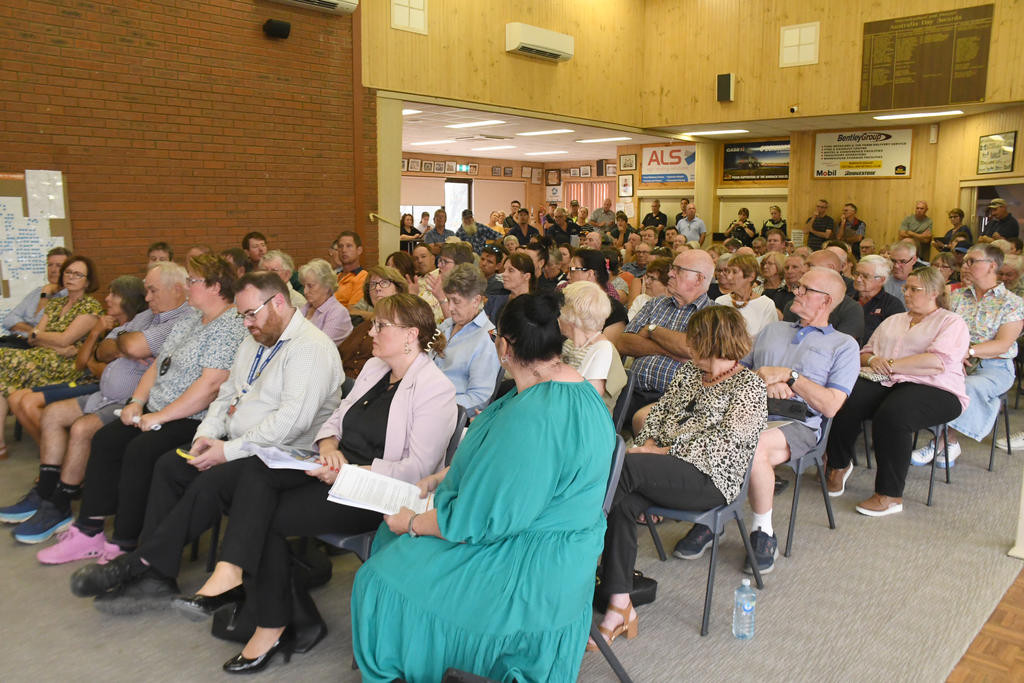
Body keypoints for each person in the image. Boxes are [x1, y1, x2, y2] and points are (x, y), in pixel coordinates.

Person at [146, 294, 454, 674]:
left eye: (380, 326)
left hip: (376, 491)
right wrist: (328, 448)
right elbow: (334, 422)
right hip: (333, 468)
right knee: (254, 473)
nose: (370, 332)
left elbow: (416, 471)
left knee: (264, 516)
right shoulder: (375, 368)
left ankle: (269, 618)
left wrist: (346, 472)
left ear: (410, 335)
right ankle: (236, 577)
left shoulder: (434, 388)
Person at [347, 291, 611, 682]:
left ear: (504, 345)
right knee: (396, 544)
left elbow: (481, 521)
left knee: (377, 576)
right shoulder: (581, 393)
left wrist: (413, 524)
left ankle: (407, 662)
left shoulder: (534, 414)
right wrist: (450, 472)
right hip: (563, 546)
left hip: (528, 561)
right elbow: (516, 472)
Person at [66, 270, 344, 615]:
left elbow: (291, 423)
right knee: (172, 464)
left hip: (285, 457)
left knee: (212, 477)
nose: (245, 324)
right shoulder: (257, 337)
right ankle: (157, 575)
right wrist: (206, 436)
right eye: (241, 315)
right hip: (240, 444)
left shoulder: (311, 348)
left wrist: (225, 451)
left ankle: (142, 565)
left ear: (279, 302)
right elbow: (226, 393)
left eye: (250, 314)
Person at [36, 254, 246, 565]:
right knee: (107, 439)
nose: (188, 287)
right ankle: (89, 531)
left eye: (193, 281)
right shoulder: (190, 316)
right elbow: (158, 365)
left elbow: (210, 386)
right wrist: (136, 402)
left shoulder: (230, 325)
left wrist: (159, 416)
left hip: (191, 418)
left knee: (140, 451)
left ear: (215, 287)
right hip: (157, 409)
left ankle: (125, 541)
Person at [594, 306, 766, 647]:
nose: (687, 343)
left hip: (710, 479)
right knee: (623, 500)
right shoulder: (688, 373)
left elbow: (724, 444)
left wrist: (658, 454)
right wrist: (647, 445)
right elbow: (659, 415)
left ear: (713, 342)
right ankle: (619, 606)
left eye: (694, 337)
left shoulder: (749, 386)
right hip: (659, 468)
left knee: (620, 469)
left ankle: (575, 561)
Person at [679, 267, 858, 574]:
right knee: (707, 432)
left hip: (799, 424)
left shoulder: (844, 345)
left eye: (804, 289)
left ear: (825, 301)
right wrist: (763, 380)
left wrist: (790, 377)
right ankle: (716, 516)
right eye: (797, 287)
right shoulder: (773, 330)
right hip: (749, 410)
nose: (795, 293)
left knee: (753, 446)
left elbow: (830, 406)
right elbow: (732, 371)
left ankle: (762, 531)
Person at [1, 267, 189, 542]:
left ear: (177, 290)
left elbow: (131, 347)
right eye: (146, 290)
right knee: (52, 414)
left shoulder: (179, 321)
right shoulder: (149, 315)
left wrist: (124, 345)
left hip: (132, 401)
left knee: (81, 429)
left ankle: (60, 503)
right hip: (103, 394)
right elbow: (104, 348)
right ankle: (44, 493)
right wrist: (124, 345)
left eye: (152, 290)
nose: (146, 298)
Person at [825, 267, 969, 516]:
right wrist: (873, 361)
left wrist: (891, 364)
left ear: (934, 292)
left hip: (935, 385)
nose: (908, 293)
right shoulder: (894, 320)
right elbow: (866, 352)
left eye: (915, 289)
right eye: (906, 288)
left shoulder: (951, 322)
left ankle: (890, 495)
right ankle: (838, 465)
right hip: (887, 380)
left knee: (893, 416)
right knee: (844, 399)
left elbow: (936, 362)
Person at [911, 245, 1024, 467]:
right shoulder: (956, 296)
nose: (965, 265)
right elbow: (940, 327)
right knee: (918, 382)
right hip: (953, 361)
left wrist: (968, 351)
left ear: (992, 265)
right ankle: (940, 442)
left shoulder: (1012, 302)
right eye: (965, 262)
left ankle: (944, 441)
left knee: (965, 387)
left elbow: (1003, 344)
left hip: (994, 368)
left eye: (972, 261)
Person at [0, 255, 103, 459]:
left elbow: (65, 339)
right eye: (68, 272)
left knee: (3, 358)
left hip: (68, 365)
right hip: (42, 357)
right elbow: (33, 337)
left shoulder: (90, 308)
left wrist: (44, 338)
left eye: (77, 274)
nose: (70, 277)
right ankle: (50, 450)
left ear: (87, 281)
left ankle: (54, 451)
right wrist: (47, 339)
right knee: (2, 377)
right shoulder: (55, 304)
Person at [615, 250, 715, 425]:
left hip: (676, 402)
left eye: (678, 270)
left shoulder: (714, 314)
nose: (670, 274)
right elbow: (623, 342)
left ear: (699, 279)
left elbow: (691, 349)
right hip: (631, 392)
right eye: (671, 269)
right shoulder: (655, 304)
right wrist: (670, 350)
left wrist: (652, 330)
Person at [433, 264, 500, 415]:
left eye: (456, 301)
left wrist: (435, 406)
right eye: (448, 300)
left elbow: (479, 398)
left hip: (445, 414)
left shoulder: (488, 337)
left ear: (476, 300)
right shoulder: (447, 325)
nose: (449, 308)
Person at [559, 281, 627, 414]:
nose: (558, 316)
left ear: (571, 316)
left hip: (585, 420)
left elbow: (589, 401)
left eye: (560, 310)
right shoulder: (570, 344)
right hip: (565, 411)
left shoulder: (603, 349)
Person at [339, 266, 408, 378]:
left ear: (398, 289)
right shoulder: (362, 327)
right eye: (372, 284)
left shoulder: (404, 325)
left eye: (384, 283)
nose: (377, 288)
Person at [783, 250, 864, 341]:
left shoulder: (851, 309)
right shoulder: (794, 305)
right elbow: (786, 341)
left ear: (831, 268)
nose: (803, 270)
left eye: (810, 265)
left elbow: (839, 345)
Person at [2, 247, 70, 341]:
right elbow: (8, 320)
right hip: (22, 343)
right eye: (50, 265)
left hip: (47, 348)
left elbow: (44, 326)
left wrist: (45, 295)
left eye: (58, 265)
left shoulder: (70, 297)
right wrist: (33, 332)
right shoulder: (37, 292)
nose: (53, 270)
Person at [567, 249, 629, 345]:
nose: (567, 276)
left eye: (572, 270)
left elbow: (606, 353)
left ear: (590, 274)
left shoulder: (614, 311)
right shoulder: (568, 303)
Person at [715, 253, 777, 339]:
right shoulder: (720, 302)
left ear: (751, 276)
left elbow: (768, 341)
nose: (729, 277)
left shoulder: (766, 305)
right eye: (728, 271)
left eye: (734, 272)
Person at [297, 258, 352, 344]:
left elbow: (320, 346)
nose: (305, 291)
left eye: (310, 286)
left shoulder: (338, 313)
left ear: (326, 286)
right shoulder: (306, 307)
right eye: (304, 286)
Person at [854, 254, 906, 346]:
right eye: (857, 274)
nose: (858, 279)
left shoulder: (892, 305)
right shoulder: (846, 298)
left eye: (865, 276)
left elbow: (894, 340)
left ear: (881, 280)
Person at [483, 251, 534, 324]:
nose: (504, 274)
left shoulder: (536, 306)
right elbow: (483, 329)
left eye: (511, 270)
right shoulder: (493, 302)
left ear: (526, 276)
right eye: (504, 270)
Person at [333, 231, 369, 312]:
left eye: (349, 246)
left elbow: (353, 311)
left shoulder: (363, 277)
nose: (344, 250)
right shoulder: (335, 276)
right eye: (340, 246)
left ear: (359, 250)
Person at [883, 241, 920, 305]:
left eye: (902, 261)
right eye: (893, 261)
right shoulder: (882, 282)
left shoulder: (921, 284)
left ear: (914, 260)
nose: (896, 266)